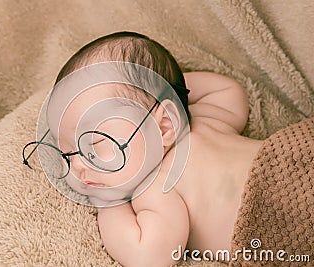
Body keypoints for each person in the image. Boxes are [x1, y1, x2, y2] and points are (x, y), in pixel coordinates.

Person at [27, 31, 264, 266]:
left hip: (280, 183)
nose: (77, 165)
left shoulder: (157, 188)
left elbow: (147, 257)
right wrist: (158, 91)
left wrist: (107, 203)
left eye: (95, 142)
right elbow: (227, 90)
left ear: (164, 126)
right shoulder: (209, 121)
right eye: (66, 153)